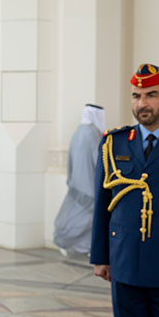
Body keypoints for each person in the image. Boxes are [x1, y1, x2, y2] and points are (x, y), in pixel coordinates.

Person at [91, 63, 159, 317]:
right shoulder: (115, 142)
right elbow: (102, 203)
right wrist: (101, 256)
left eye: (152, 95)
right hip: (126, 266)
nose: (142, 104)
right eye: (136, 96)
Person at [53, 103, 105, 256]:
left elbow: (69, 161)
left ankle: (81, 246)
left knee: (78, 216)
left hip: (76, 183)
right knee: (87, 217)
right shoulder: (92, 133)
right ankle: (66, 241)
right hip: (89, 184)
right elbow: (99, 161)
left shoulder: (78, 132)